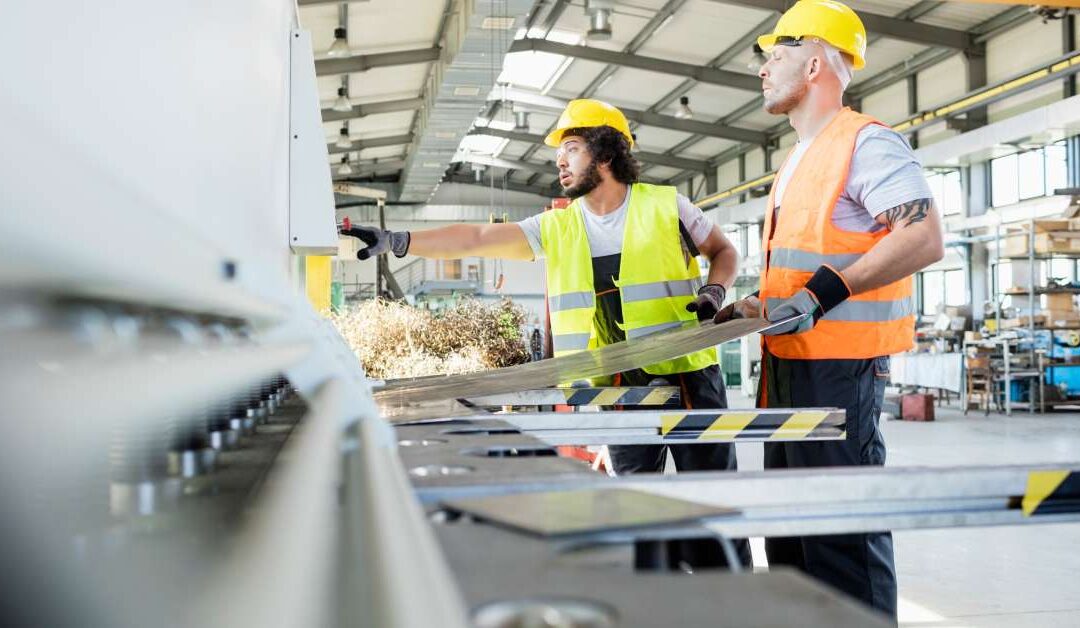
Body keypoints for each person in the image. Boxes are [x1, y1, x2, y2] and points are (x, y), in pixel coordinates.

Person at [341, 98, 750, 569]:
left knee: (713, 506)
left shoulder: (666, 204)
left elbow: (724, 250)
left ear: (605, 154)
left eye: (571, 147)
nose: (559, 160)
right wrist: (399, 241)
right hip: (616, 388)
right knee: (636, 509)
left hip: (687, 377)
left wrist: (715, 291)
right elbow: (477, 239)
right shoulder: (557, 227)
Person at [714, 0, 945, 618]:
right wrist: (753, 305)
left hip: (840, 375)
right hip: (786, 371)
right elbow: (799, 271)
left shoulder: (865, 142)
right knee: (791, 542)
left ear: (815, 61)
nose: (763, 70)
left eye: (776, 55)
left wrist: (823, 293)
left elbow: (922, 237)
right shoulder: (794, 160)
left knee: (842, 541)